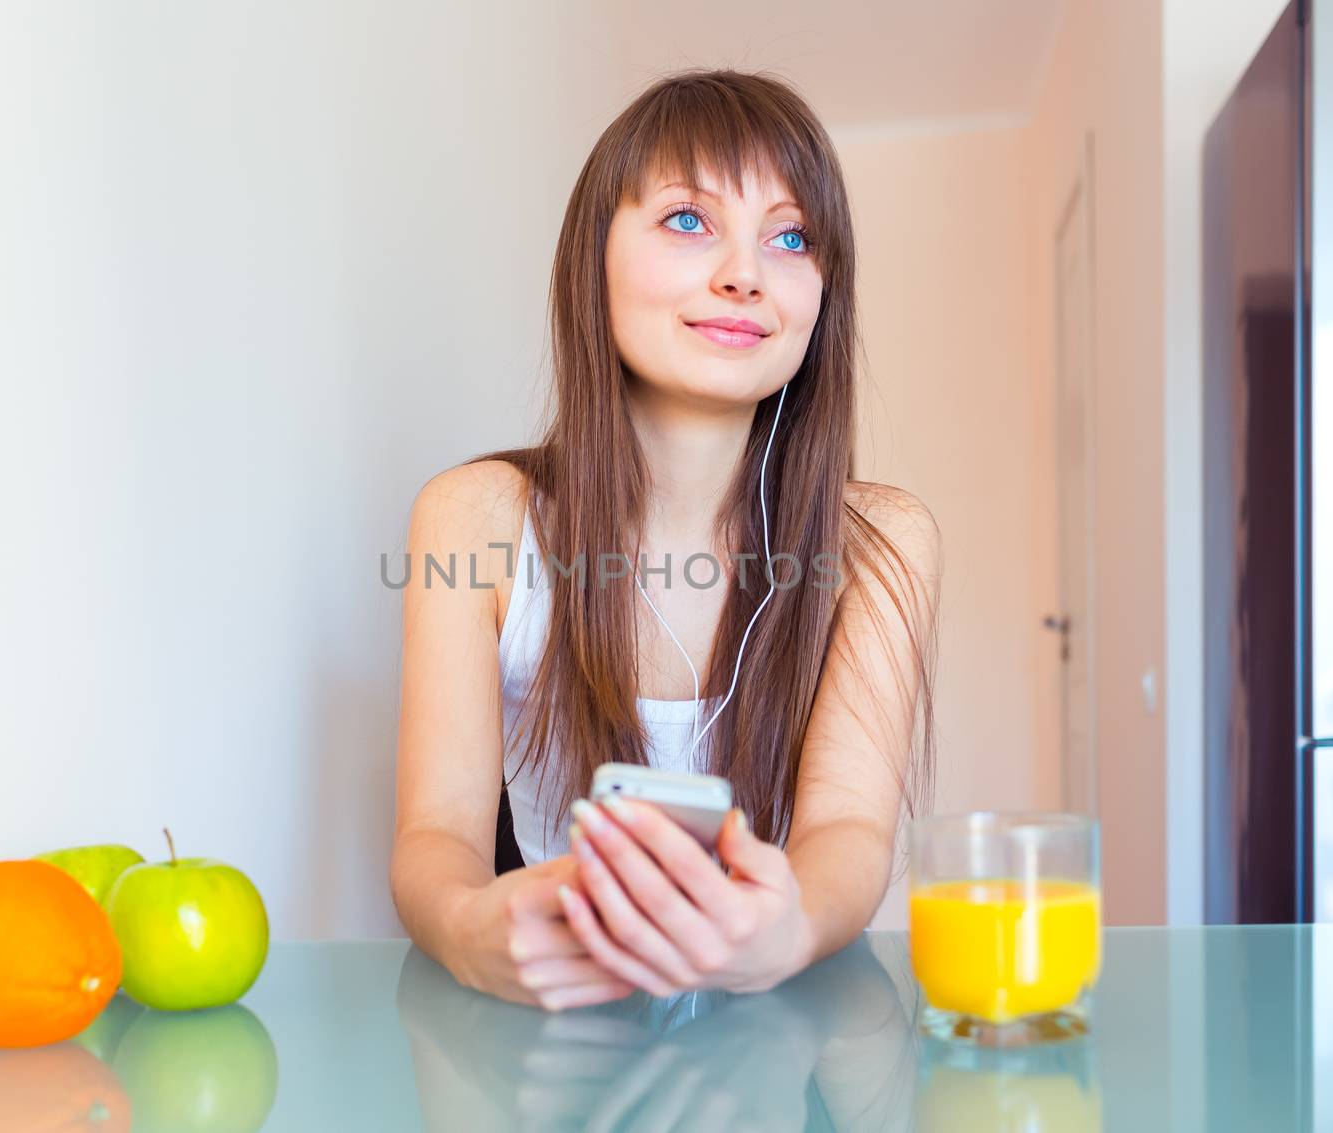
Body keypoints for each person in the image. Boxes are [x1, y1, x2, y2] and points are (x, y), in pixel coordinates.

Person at [390, 67, 940, 1013]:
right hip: (556, 1039)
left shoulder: (881, 541)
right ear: (591, 256)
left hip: (780, 1035)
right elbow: (436, 833)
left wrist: (789, 929)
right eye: (689, 219)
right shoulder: (472, 519)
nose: (745, 272)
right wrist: (470, 931)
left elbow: (849, 824)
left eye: (792, 235)